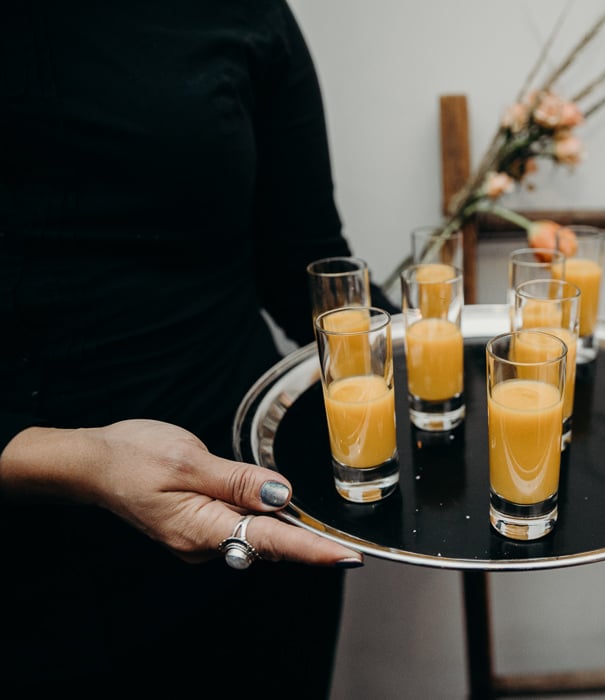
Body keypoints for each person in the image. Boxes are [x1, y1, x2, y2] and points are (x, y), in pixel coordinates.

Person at [0, 1, 394, 695]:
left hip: (230, 508)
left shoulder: (246, 13)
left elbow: (303, 259)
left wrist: (444, 370)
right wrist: (79, 462)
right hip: (22, 568)